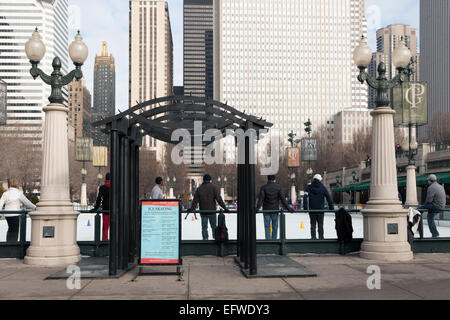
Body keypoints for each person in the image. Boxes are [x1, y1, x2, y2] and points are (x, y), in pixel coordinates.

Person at [187, 174, 228, 240]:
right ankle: (215, 239)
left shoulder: (199, 189)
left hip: (203, 211)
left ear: (203, 180)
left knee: (204, 227)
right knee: (214, 227)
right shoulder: (213, 187)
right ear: (210, 180)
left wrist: (192, 209)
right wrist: (225, 208)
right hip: (212, 211)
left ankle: (205, 240)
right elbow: (219, 199)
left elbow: (195, 201)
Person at [256, 175, 294, 240]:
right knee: (275, 226)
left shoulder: (263, 187)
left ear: (268, 179)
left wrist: (257, 208)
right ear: (274, 180)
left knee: (267, 226)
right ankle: (274, 240)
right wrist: (289, 208)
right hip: (275, 210)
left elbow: (261, 199)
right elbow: (283, 200)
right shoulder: (278, 187)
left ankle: (268, 240)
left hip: (266, 210)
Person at [303, 174, 334, 240]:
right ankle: (321, 239)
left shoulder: (308, 187)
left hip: (312, 210)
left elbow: (305, 197)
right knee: (320, 225)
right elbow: (329, 198)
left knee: (313, 225)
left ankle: (313, 238)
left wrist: (305, 208)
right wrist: (331, 208)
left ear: (313, 179)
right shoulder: (323, 187)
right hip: (320, 210)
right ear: (320, 180)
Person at [91, 173, 111, 241]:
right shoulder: (116, 187)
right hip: (114, 209)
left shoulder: (102, 188)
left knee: (105, 227)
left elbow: (99, 198)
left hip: (105, 209)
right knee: (115, 227)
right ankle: (115, 241)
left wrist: (96, 208)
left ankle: (105, 241)